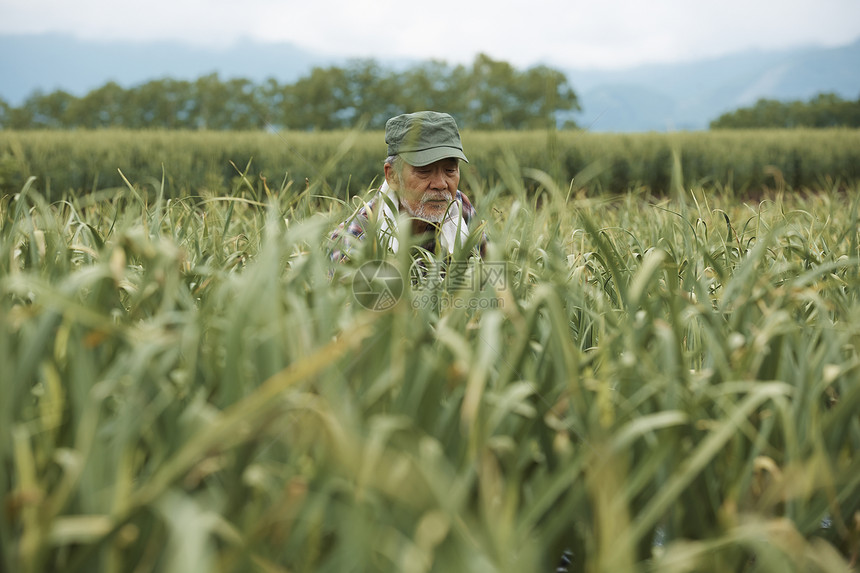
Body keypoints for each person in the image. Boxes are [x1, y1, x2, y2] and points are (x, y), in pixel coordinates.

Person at [330, 111, 486, 261]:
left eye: (450, 170)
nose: (440, 184)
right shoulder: (355, 237)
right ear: (392, 176)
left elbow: (494, 277)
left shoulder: (459, 209)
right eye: (424, 171)